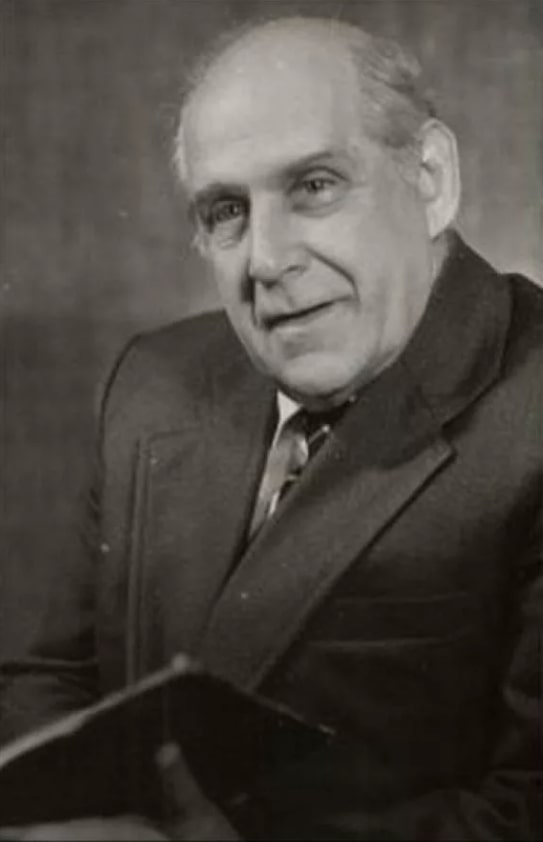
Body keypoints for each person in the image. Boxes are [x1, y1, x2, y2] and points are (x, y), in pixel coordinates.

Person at [0, 15, 541, 841]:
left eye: (314, 186)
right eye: (226, 209)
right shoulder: (152, 382)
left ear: (430, 179)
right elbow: (53, 681)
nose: (265, 259)